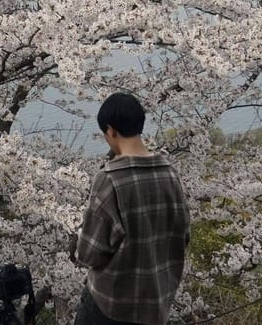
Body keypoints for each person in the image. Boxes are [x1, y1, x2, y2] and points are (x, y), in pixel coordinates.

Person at [69, 92, 190, 325]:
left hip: (111, 306)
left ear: (111, 130)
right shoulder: (170, 173)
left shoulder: (110, 179)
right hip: (156, 303)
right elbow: (183, 235)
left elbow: (88, 253)